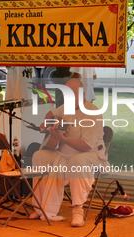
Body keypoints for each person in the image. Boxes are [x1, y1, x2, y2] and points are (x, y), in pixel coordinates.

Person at [30, 79, 109, 227]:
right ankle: (41, 207)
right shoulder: (66, 106)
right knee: (38, 156)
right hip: (64, 154)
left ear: (83, 94)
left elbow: (85, 146)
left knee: (77, 161)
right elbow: (51, 112)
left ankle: (77, 210)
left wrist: (62, 138)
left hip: (91, 155)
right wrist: (47, 123)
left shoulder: (92, 113)